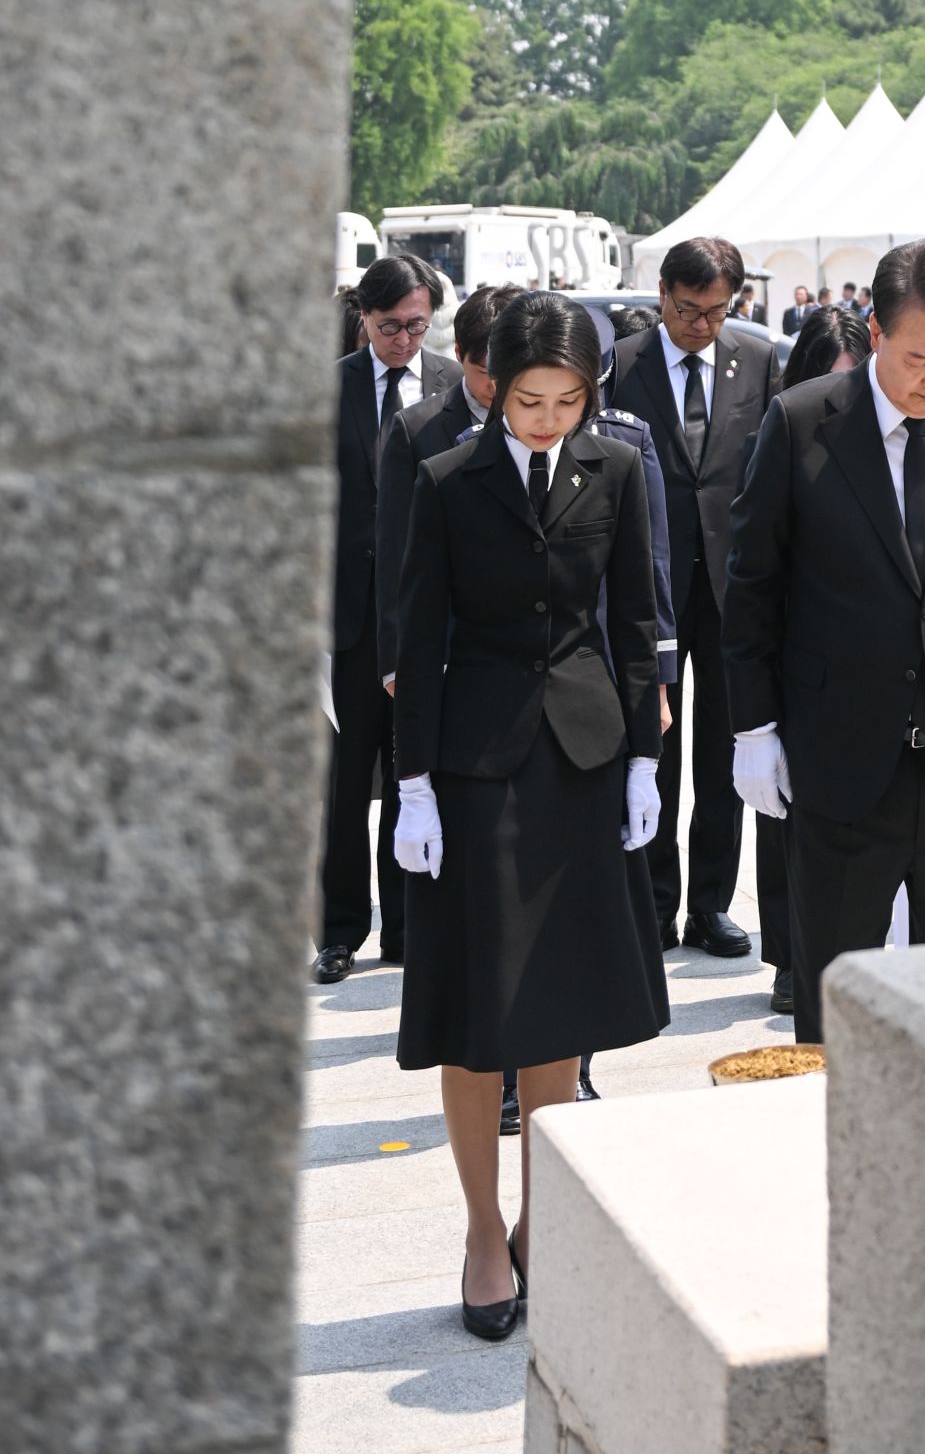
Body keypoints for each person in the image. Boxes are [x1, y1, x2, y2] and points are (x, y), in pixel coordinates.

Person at [391, 293, 668, 1339]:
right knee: (477, 1011)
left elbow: (635, 622)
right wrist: (413, 784)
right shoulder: (446, 483)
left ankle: (542, 1225)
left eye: (569, 400)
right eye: (530, 401)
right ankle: (479, 1232)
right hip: (474, 765)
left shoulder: (619, 471)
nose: (550, 420)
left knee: (558, 1007)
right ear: (490, 389)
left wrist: (645, 760)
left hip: (586, 761)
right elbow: (416, 640)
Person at [725, 237, 925, 1038]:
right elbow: (752, 586)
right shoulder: (803, 423)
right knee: (837, 1001)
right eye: (917, 359)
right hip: (840, 758)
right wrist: (753, 727)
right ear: (876, 330)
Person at [608, 237, 777, 956]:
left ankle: (711, 903)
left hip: (734, 583)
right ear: (661, 296)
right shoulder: (621, 365)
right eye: (687, 311)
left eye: (716, 311)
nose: (701, 325)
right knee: (657, 744)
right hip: (652, 583)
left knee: (725, 750)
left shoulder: (760, 360)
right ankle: (653, 903)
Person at [316, 250, 456, 984]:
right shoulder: (329, 388)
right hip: (348, 619)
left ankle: (407, 928)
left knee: (414, 772)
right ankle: (341, 929)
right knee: (345, 783)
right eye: (389, 326)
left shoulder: (452, 386)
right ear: (363, 320)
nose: (404, 340)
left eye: (418, 326)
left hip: (423, 616)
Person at [756, 300, 869, 1008]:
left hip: (862, 652)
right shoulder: (783, 434)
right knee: (784, 811)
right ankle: (789, 956)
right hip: (796, 653)